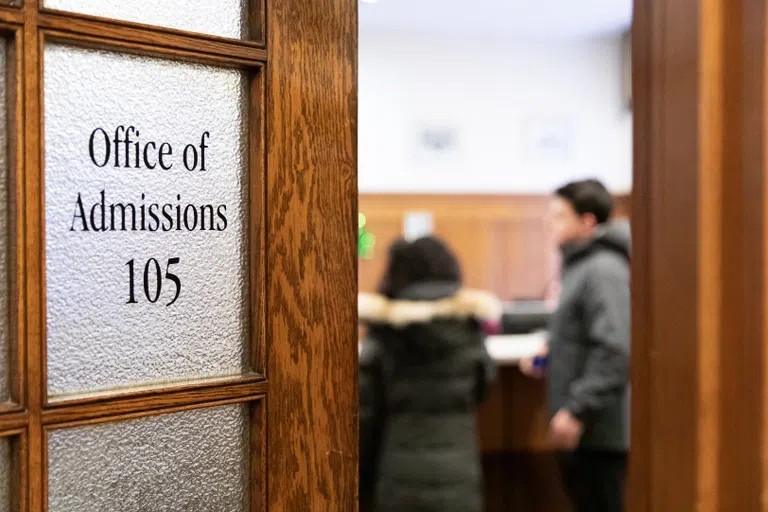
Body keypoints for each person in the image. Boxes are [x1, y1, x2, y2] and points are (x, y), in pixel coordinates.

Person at [358, 236, 500, 512]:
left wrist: (361, 477)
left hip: (399, 476)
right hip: (459, 474)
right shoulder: (468, 327)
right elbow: (483, 387)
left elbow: (366, 412)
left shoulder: (385, 332)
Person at [520, 179, 631, 512]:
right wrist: (551, 347)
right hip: (585, 428)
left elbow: (615, 349)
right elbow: (581, 329)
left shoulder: (603, 269)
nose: (550, 224)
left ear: (587, 222)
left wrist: (577, 410)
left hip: (598, 430)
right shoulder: (579, 265)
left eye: (559, 216)